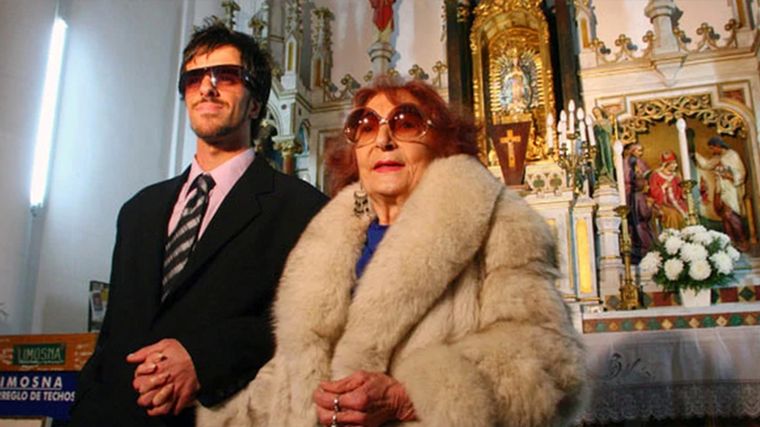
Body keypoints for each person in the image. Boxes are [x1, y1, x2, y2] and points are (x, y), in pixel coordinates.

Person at [198, 78, 587, 426]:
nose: (383, 140)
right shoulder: (326, 238)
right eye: (365, 126)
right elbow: (290, 371)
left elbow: (551, 361)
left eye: (405, 123)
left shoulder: (499, 223)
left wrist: (407, 397)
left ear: (442, 143)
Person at [68, 23, 327, 427]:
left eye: (226, 76)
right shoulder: (138, 210)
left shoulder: (301, 207)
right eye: (194, 78)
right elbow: (113, 334)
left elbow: (309, 326)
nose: (207, 87)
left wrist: (204, 358)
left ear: (255, 103)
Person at [695, 135, 749, 251]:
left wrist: (728, 176)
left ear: (718, 145)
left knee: (730, 215)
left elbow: (741, 173)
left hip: (730, 189)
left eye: (712, 148)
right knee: (724, 216)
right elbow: (706, 165)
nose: (712, 151)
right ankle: (730, 241)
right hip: (720, 188)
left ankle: (742, 240)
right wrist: (695, 154)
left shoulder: (732, 155)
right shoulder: (718, 157)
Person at [623, 143, 655, 262]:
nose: (641, 153)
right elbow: (644, 213)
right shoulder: (628, 162)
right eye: (638, 150)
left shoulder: (638, 162)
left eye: (641, 150)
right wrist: (649, 206)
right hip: (630, 196)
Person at [649, 150, 688, 230]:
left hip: (677, 202)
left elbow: (680, 191)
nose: (675, 165)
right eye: (672, 163)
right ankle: (674, 235)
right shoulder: (656, 176)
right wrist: (663, 187)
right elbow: (653, 192)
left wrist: (683, 192)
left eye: (675, 163)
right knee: (673, 215)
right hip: (662, 203)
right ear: (666, 164)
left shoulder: (676, 176)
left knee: (688, 213)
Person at [592, 107, 615, 184]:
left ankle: (610, 174)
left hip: (606, 142)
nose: (596, 113)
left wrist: (602, 127)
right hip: (598, 142)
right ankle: (601, 173)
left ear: (600, 111)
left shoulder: (606, 121)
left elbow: (610, 131)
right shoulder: (594, 123)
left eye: (597, 111)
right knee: (599, 157)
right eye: (594, 112)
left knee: (607, 156)